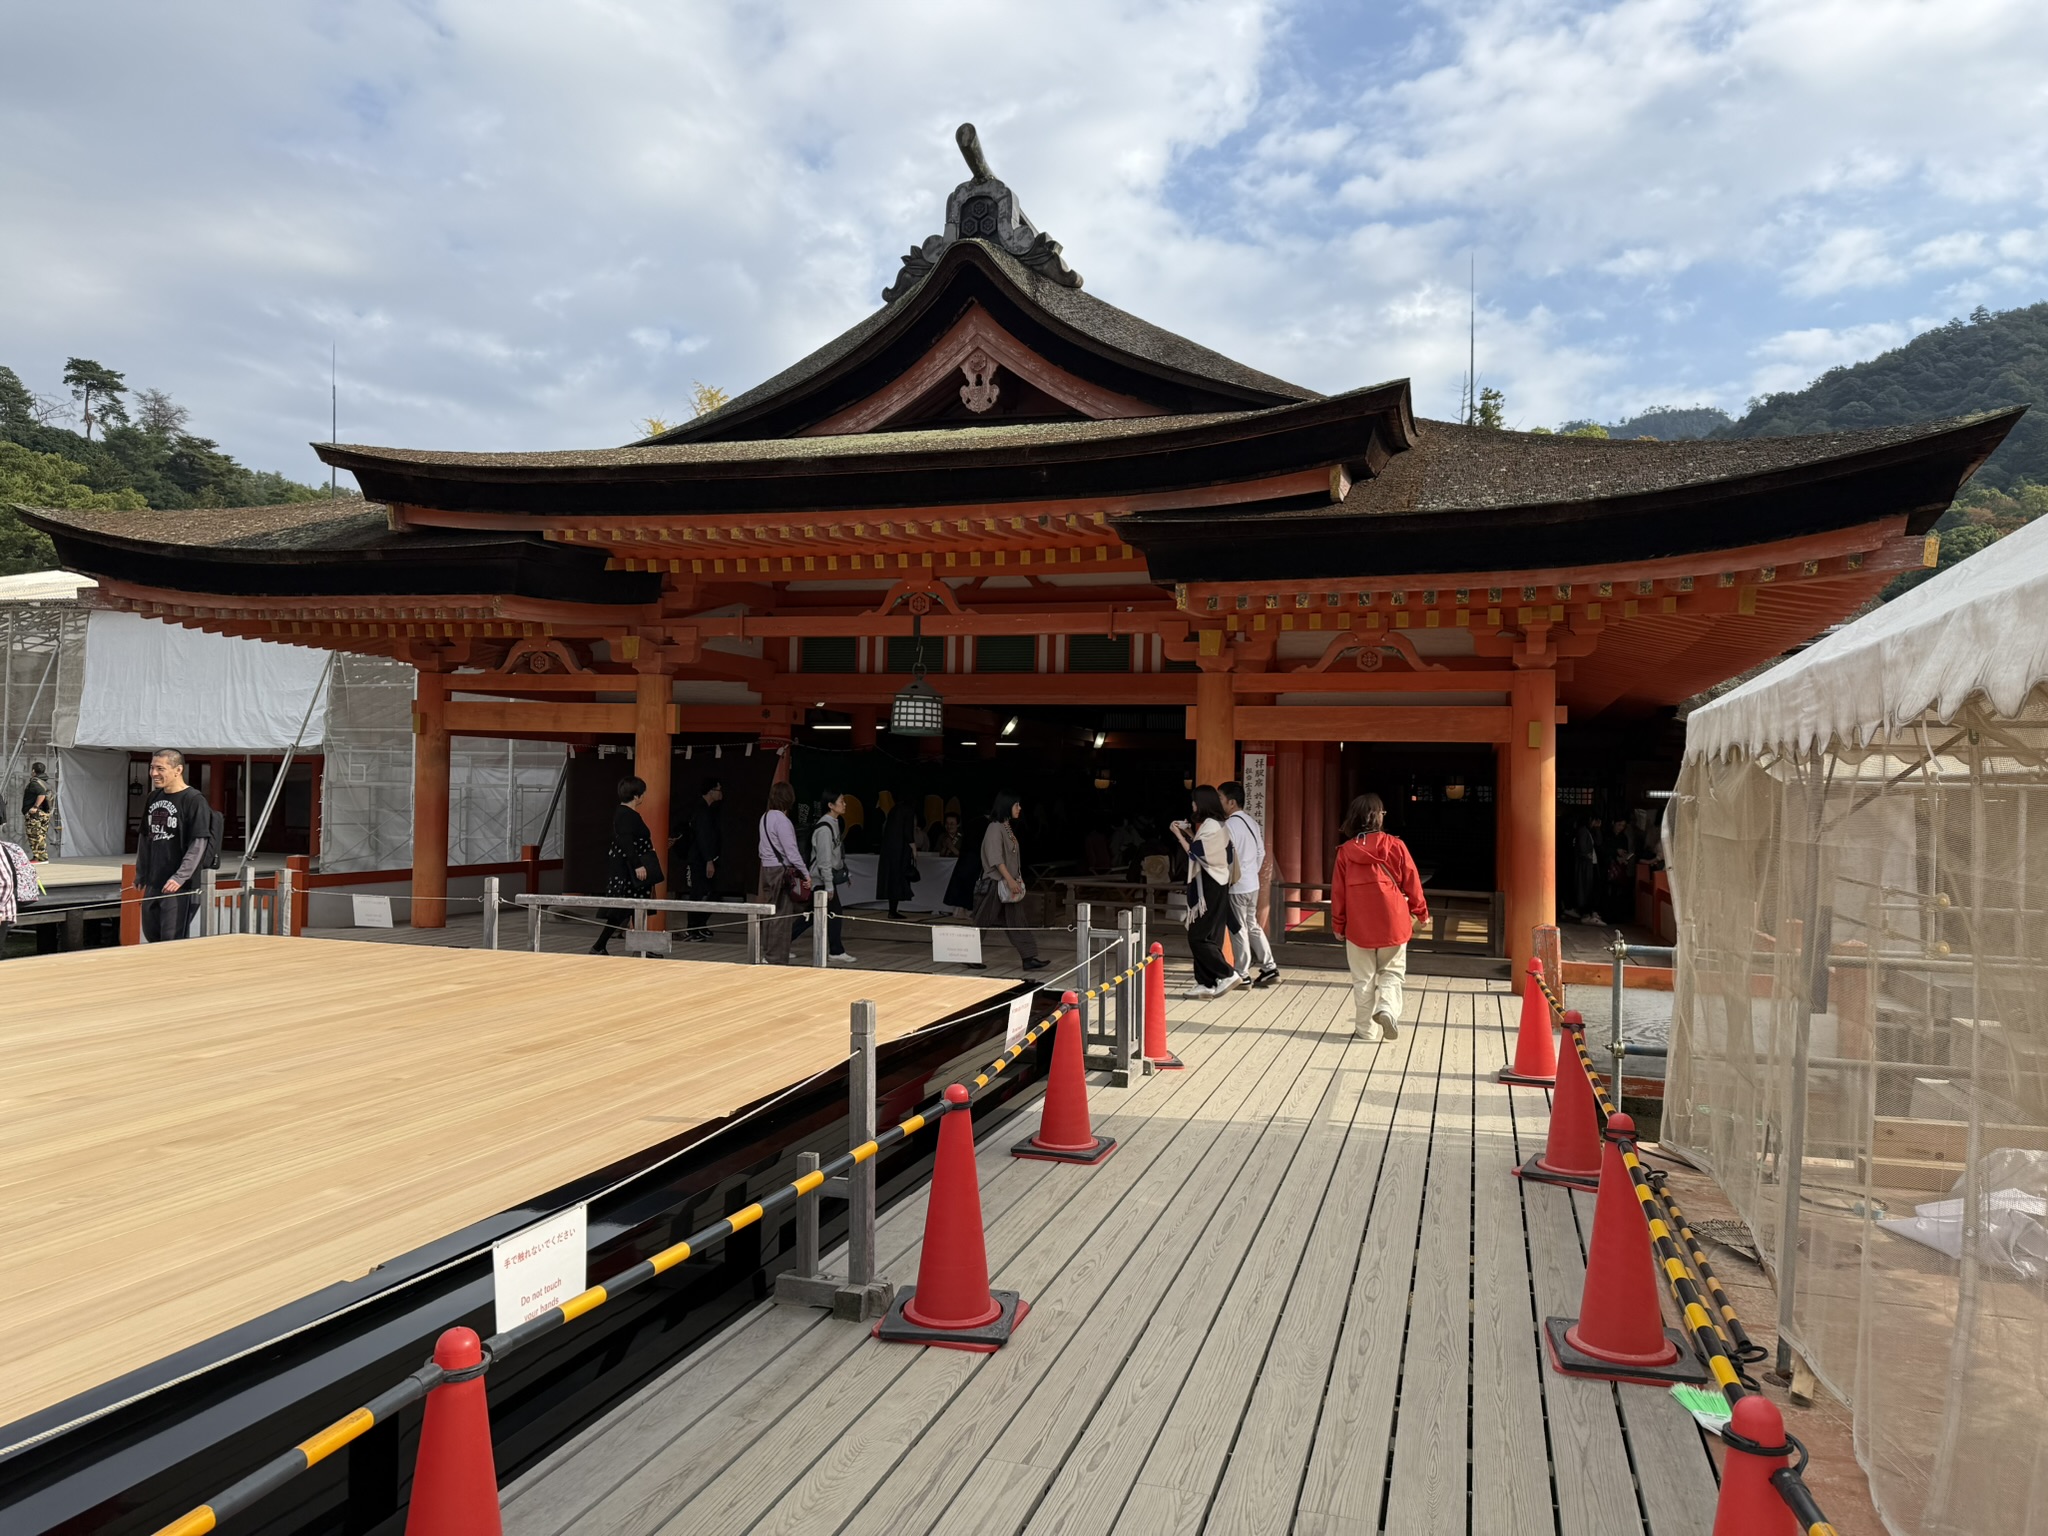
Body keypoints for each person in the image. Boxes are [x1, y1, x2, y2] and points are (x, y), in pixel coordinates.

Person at [1330, 793, 1429, 1043]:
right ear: (1378, 817)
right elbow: (1412, 881)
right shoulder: (1395, 845)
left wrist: (1338, 924)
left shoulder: (1345, 852)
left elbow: (1338, 892)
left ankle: (1365, 1030)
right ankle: (1386, 1008)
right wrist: (1421, 912)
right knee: (1392, 972)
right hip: (1393, 921)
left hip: (1359, 925)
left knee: (1362, 978)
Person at [1171, 785, 1240, 998]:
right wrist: (1189, 833)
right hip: (1216, 885)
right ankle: (1206, 982)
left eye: (1194, 801)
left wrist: (1178, 834)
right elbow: (1205, 849)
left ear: (1201, 803)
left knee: (1198, 937)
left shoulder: (1211, 825)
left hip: (1210, 887)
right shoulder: (1217, 824)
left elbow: (1196, 853)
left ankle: (1227, 974)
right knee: (1210, 936)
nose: (1192, 805)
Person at [137, 749, 211, 943]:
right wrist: (141, 873)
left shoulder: (194, 800)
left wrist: (180, 877)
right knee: (151, 935)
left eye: (160, 769)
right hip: (154, 881)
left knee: (172, 939)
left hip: (180, 886)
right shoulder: (153, 797)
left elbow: (198, 843)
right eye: (152, 768)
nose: (154, 773)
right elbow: (145, 837)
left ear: (178, 770)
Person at [973, 791, 1045, 970]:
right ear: (1006, 805)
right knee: (983, 920)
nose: (1019, 808)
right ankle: (969, 954)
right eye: (1016, 805)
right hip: (995, 883)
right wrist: (1010, 881)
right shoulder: (994, 828)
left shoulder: (1005, 826)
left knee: (1017, 921)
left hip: (1007, 883)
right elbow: (996, 859)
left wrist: (1014, 880)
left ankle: (1028, 957)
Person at [591, 776, 661, 956]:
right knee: (627, 909)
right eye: (643, 793)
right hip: (629, 870)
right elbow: (627, 842)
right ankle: (602, 946)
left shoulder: (624, 814)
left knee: (631, 909)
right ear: (636, 796)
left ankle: (637, 947)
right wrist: (638, 865)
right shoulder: (626, 815)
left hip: (627, 868)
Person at [1220, 780, 1279, 988]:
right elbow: (1261, 852)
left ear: (1231, 802)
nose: (1219, 803)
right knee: (1252, 925)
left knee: (1238, 929)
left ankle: (1242, 973)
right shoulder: (1251, 822)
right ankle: (1269, 966)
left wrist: (1232, 878)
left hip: (1236, 886)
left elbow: (1226, 857)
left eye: (1221, 798)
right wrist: (1251, 872)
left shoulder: (1229, 826)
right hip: (1252, 883)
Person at [792, 790, 855, 963]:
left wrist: (844, 873)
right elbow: (824, 860)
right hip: (821, 879)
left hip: (824, 878)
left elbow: (836, 854)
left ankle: (782, 944)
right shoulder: (825, 829)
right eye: (841, 801)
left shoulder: (834, 823)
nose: (844, 804)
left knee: (812, 916)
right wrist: (829, 885)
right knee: (834, 913)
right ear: (830, 805)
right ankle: (836, 950)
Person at [756, 780, 810, 964]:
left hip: (766, 868)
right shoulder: (783, 821)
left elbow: (761, 848)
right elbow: (792, 852)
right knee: (782, 915)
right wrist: (805, 874)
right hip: (781, 870)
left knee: (770, 912)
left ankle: (767, 952)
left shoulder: (764, 817)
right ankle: (776, 957)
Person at [684, 777, 724, 942]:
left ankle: (699, 924)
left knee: (710, 892)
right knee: (699, 893)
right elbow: (702, 837)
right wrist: (709, 860)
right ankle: (693, 928)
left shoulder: (707, 810)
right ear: (710, 791)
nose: (721, 793)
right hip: (700, 859)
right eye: (718, 789)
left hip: (704, 857)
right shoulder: (701, 811)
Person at [876, 798, 920, 920]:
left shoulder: (894, 809)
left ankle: (892, 910)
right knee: (897, 879)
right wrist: (914, 848)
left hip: (890, 850)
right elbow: (908, 832)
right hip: (900, 851)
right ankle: (893, 911)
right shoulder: (908, 810)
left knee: (892, 880)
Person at [21, 762, 50, 862]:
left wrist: (35, 807)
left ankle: (40, 858)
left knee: (34, 836)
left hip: (35, 815)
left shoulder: (35, 783)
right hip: (44, 813)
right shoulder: (45, 782)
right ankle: (39, 857)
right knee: (40, 836)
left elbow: (41, 794)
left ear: (33, 771)